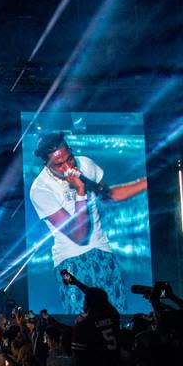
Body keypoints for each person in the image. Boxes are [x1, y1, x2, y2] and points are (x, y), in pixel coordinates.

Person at [29, 132, 147, 313]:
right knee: (85, 321)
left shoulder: (85, 163)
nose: (68, 167)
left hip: (103, 252)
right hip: (71, 260)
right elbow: (79, 235)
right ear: (46, 165)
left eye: (70, 159)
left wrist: (147, 182)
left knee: (117, 314)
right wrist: (80, 191)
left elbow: (110, 195)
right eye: (59, 165)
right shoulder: (40, 189)